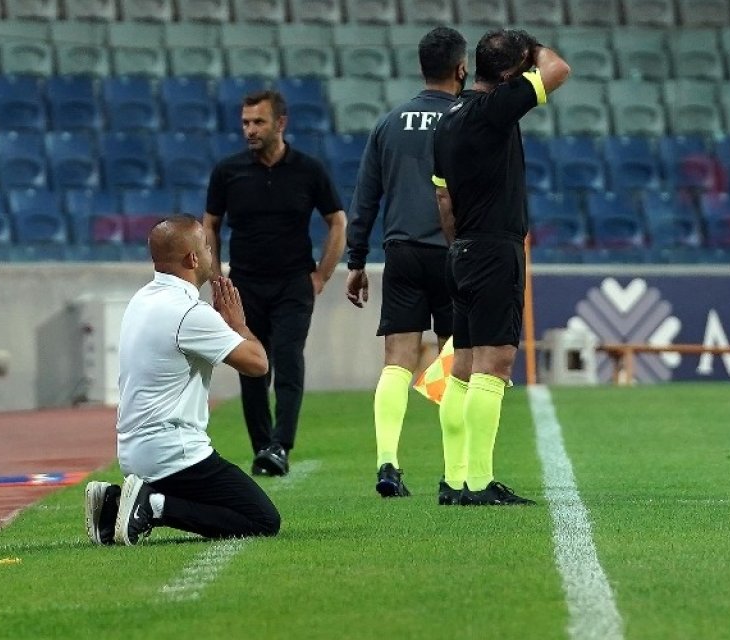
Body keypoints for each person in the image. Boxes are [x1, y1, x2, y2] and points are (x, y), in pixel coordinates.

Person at [430, 29, 570, 506]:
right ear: (512, 74)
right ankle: (478, 483)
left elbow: (443, 198)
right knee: (495, 364)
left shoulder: (447, 121)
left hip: (463, 250)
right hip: (493, 250)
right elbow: (559, 69)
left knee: (462, 369)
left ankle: (454, 478)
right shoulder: (494, 110)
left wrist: (459, 247)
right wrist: (535, 48)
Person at [83, 215, 279, 547]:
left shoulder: (142, 300)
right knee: (262, 520)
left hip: (133, 452)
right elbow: (258, 365)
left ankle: (115, 504)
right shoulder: (190, 313)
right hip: (173, 453)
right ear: (192, 259)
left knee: (223, 502)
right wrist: (239, 326)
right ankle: (152, 505)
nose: (211, 252)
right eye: (206, 246)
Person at [345, 27, 469, 499]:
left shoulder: (390, 122)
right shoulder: (467, 118)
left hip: (402, 252)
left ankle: (388, 464)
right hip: (454, 252)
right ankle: (456, 471)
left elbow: (365, 197)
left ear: (422, 67)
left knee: (397, 361)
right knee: (457, 360)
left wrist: (357, 259)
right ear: (461, 68)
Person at [202, 90, 348, 477]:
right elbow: (210, 224)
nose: (250, 129)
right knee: (252, 366)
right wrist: (216, 277)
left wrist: (323, 274)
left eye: (258, 122)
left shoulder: (309, 170)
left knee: (286, 359)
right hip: (245, 285)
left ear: (280, 123)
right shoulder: (228, 171)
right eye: (246, 122)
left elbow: (337, 220)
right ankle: (262, 447)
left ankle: (281, 444)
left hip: (292, 284)